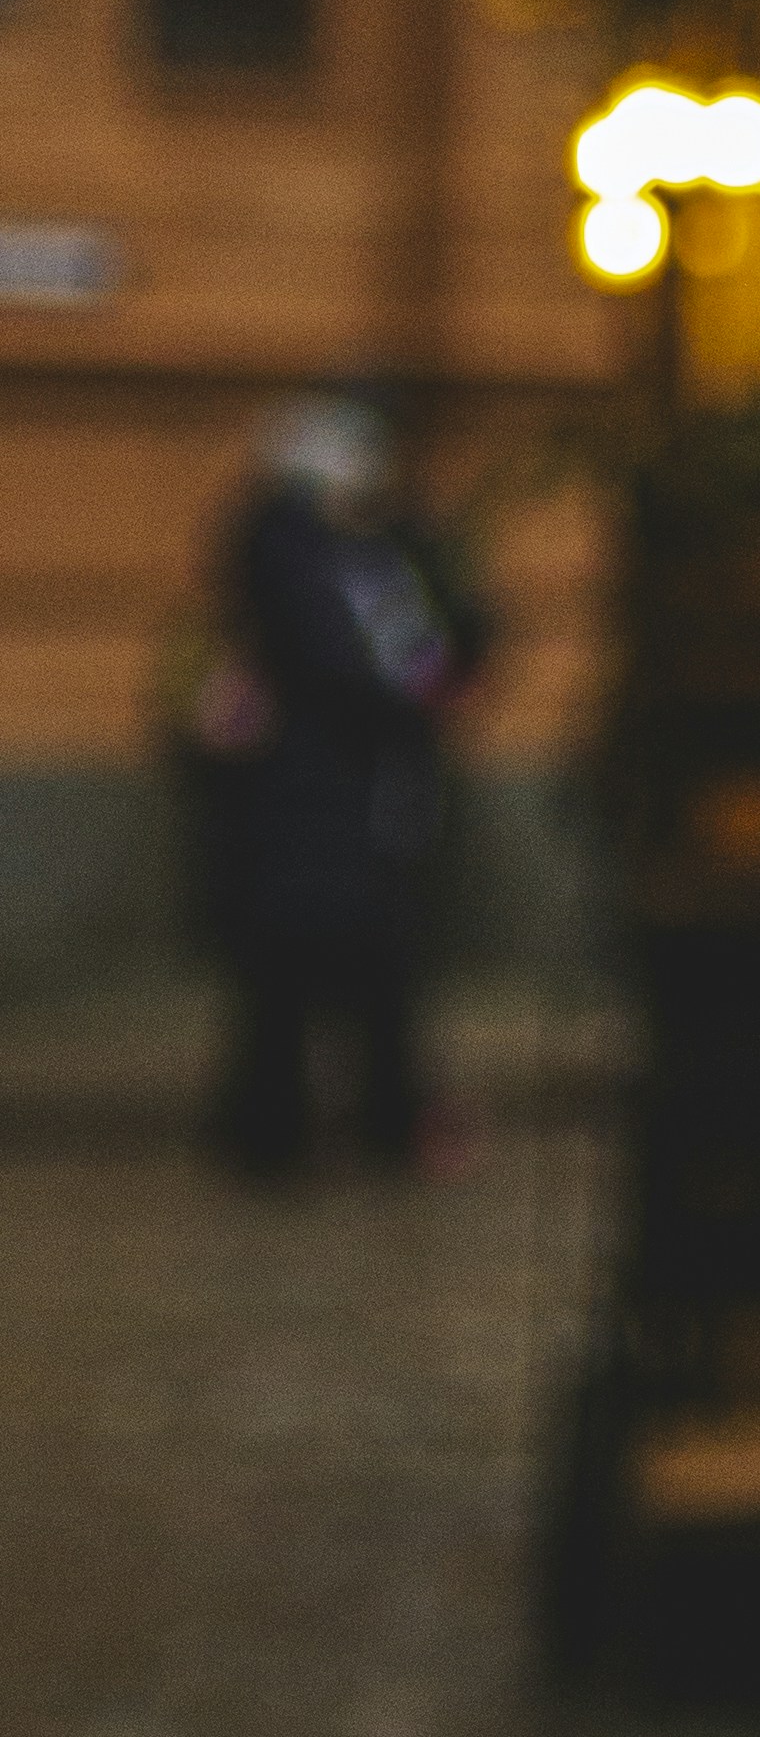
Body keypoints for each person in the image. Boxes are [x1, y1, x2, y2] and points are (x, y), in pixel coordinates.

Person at [199, 395, 484, 1182]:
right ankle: (284, 1131)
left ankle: (371, 1122)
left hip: (374, 794)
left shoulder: (383, 548)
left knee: (378, 962)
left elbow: (451, 624)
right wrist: (408, 696)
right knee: (297, 967)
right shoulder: (286, 546)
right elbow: (330, 656)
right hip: (308, 795)